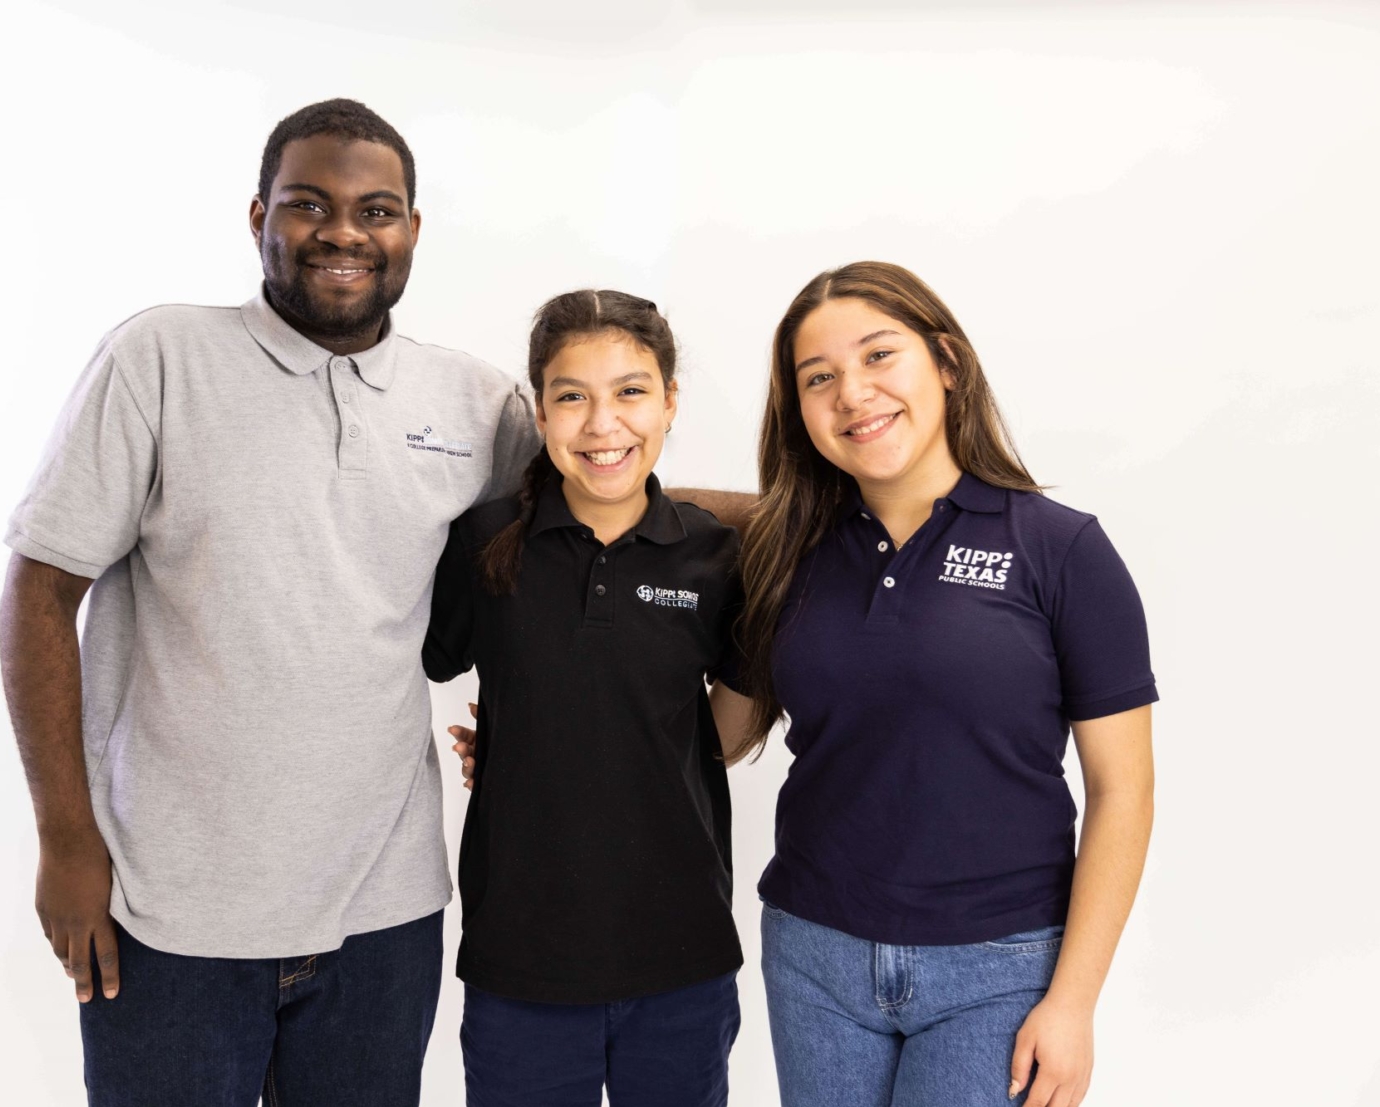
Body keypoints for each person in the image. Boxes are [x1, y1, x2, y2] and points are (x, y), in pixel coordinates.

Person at [0, 98, 544, 1107]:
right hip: (166, 913)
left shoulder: (475, 404)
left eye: (376, 209)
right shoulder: (160, 360)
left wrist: (819, 504)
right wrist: (65, 839)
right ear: (258, 218)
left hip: (385, 913)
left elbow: (608, 503)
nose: (343, 231)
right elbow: (39, 591)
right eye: (308, 204)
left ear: (412, 231)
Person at [732, 261, 1157, 1107]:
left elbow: (1124, 790)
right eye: (819, 378)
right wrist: (542, 735)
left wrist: (1073, 1002)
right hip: (813, 955)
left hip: (1001, 968)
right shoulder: (783, 554)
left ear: (948, 364)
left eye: (879, 356)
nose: (853, 393)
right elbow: (717, 733)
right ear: (800, 411)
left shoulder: (1060, 550)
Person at [423, 290, 755, 1107]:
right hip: (520, 960)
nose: (603, 424)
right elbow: (417, 663)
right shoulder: (483, 542)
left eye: (632, 391)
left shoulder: (715, 557)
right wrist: (520, 741)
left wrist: (617, 744)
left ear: (671, 402)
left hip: (682, 956)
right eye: (573, 396)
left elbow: (730, 730)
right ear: (541, 412)